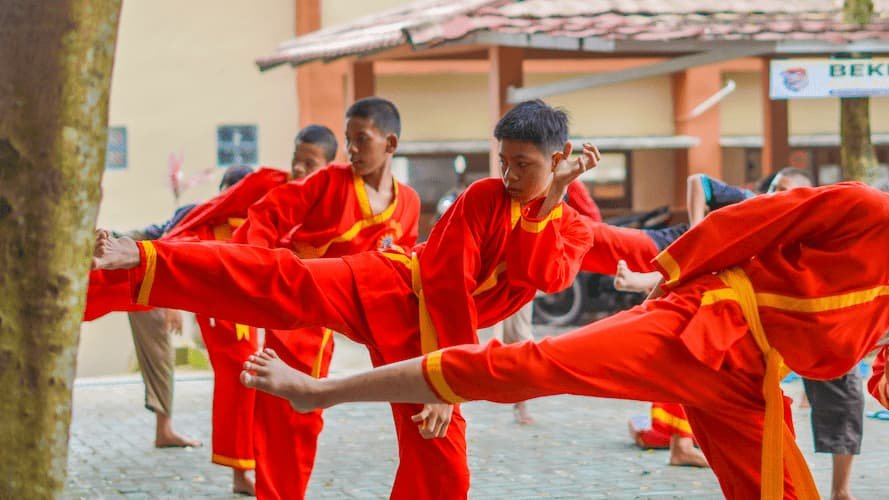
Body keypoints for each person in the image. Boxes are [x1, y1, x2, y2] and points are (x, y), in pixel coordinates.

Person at [232, 182, 887, 499]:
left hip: (747, 383)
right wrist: (665, 269)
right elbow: (755, 218)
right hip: (701, 325)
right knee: (523, 365)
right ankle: (318, 392)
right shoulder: (868, 210)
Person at [91, 99, 600, 500]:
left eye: (524, 166)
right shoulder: (482, 195)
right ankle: (139, 259)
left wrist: (550, 201)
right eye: (503, 162)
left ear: (558, 160)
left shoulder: (572, 227)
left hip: (426, 340)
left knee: (443, 464)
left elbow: (546, 274)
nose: (509, 176)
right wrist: (447, 382)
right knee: (278, 279)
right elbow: (446, 282)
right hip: (391, 287)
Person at [236, 108, 420, 500]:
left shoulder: (409, 203)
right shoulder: (328, 182)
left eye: (361, 140)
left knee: (416, 392)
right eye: (348, 140)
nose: (351, 149)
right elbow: (267, 213)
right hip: (298, 306)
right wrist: (258, 269)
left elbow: (403, 265)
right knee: (291, 414)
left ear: (390, 144)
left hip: (360, 309)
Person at [85, 164, 289, 495]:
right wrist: (169, 299)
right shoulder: (198, 216)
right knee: (237, 369)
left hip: (174, 276)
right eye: (233, 192)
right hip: (142, 256)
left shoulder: (259, 224)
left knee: (241, 371)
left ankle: (231, 463)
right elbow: (172, 250)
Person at [502, 178, 602, 425]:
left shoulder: (565, 181)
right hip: (513, 263)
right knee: (510, 337)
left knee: (517, 336)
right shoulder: (532, 178)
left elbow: (590, 218)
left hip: (527, 267)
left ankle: (520, 402)